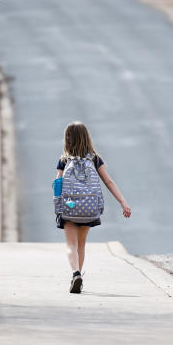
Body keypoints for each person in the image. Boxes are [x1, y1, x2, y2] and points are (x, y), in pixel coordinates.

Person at [55, 121, 131, 294]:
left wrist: (58, 205)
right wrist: (123, 202)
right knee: (81, 245)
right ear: (86, 138)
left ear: (67, 139)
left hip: (69, 208)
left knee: (71, 245)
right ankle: (79, 276)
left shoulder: (64, 160)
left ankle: (75, 274)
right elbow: (108, 181)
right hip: (88, 209)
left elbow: (57, 184)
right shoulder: (95, 159)